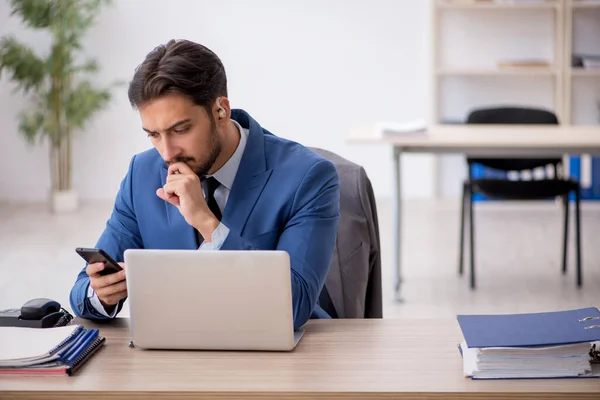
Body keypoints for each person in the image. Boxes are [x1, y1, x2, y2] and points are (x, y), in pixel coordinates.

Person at [69, 39, 340, 330]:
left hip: (274, 355)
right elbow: (82, 289)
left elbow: (294, 306)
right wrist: (102, 293)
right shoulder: (142, 174)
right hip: (173, 354)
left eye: (180, 130)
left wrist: (207, 224)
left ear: (221, 110)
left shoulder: (309, 177)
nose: (167, 152)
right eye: (153, 134)